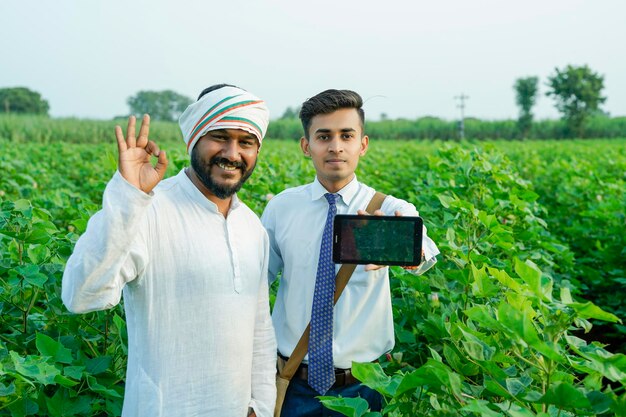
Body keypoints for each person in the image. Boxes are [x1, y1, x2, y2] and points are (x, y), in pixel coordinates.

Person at [62, 84, 276, 417]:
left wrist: (259, 407)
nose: (233, 154)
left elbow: (260, 330)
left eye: (246, 142)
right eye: (219, 137)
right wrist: (127, 196)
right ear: (194, 139)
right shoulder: (148, 209)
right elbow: (82, 296)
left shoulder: (252, 227)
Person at [261, 89, 439, 416]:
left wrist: (398, 243)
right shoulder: (281, 208)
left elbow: (422, 253)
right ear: (306, 146)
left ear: (363, 144)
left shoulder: (388, 209)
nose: (336, 146)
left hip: (365, 387)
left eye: (347, 135)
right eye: (324, 136)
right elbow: (255, 284)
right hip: (292, 383)